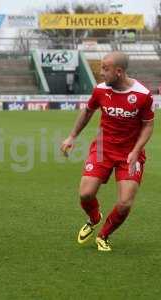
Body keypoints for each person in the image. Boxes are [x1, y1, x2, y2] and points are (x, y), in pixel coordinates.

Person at [60, 52, 155, 251]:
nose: (101, 73)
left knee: (125, 202)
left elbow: (148, 125)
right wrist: (72, 136)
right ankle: (94, 217)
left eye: (105, 69)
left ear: (119, 72)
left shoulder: (143, 95)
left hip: (129, 154)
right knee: (85, 194)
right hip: (103, 149)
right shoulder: (100, 91)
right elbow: (87, 111)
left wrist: (137, 150)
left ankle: (103, 235)